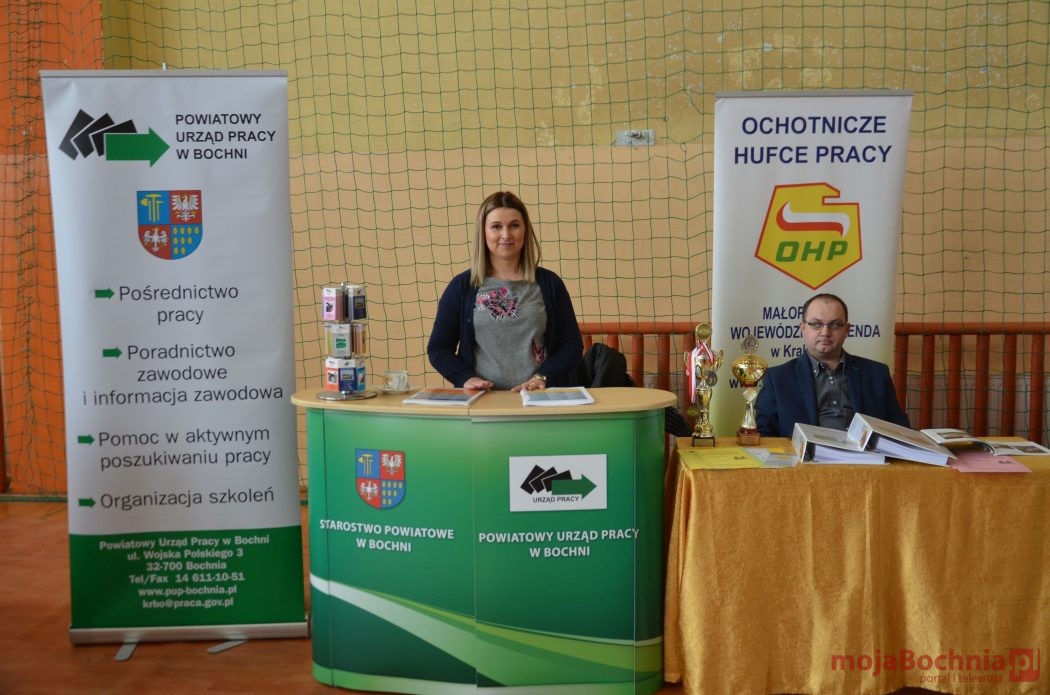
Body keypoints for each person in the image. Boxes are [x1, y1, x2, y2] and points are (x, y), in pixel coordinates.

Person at [427, 191, 583, 392]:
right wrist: (465, 377)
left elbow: (572, 345)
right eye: (496, 226)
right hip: (483, 401)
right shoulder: (462, 286)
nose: (506, 235)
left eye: (514, 225)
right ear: (483, 232)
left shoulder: (550, 284)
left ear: (525, 230)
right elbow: (438, 348)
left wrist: (543, 377)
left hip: (537, 400)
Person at [755, 293, 910, 437]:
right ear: (803, 328)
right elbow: (764, 434)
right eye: (816, 324)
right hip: (802, 457)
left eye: (835, 325)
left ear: (847, 330)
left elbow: (900, 428)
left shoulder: (876, 373)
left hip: (865, 457)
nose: (825, 332)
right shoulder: (778, 378)